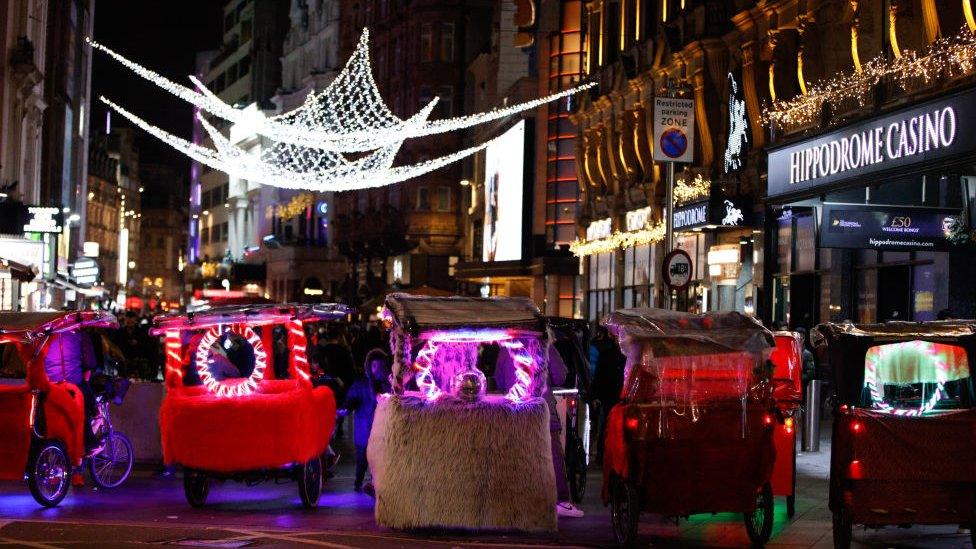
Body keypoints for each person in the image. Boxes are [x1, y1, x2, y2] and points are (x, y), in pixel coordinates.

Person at [343, 349, 391, 493]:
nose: (377, 370)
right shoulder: (362, 383)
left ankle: (375, 483)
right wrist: (347, 407)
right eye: (374, 366)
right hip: (364, 428)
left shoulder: (387, 384)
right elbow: (352, 398)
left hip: (381, 430)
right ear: (369, 366)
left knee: (379, 458)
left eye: (380, 366)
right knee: (362, 459)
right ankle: (358, 481)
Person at [589, 326, 625, 464]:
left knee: (608, 424)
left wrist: (596, 395)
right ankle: (604, 454)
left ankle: (604, 454)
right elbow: (600, 376)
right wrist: (596, 395)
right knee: (609, 424)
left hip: (613, 394)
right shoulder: (611, 354)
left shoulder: (607, 353)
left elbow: (599, 376)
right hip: (613, 394)